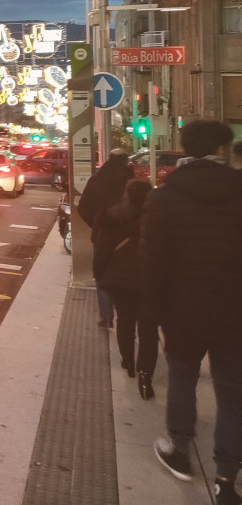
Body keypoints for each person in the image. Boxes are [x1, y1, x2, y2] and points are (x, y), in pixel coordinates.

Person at [142, 120, 242, 505]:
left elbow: (153, 265)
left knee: (182, 378)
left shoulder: (164, 196)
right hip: (235, 312)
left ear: (184, 150)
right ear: (224, 149)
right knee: (233, 392)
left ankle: (179, 450)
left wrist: (151, 317)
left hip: (182, 310)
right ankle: (227, 476)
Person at [95, 178, 159, 399]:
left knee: (125, 320)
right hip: (151, 281)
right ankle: (145, 377)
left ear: (127, 195)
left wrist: (100, 274)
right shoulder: (159, 219)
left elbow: (102, 251)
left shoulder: (114, 216)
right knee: (149, 330)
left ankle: (128, 361)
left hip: (121, 280)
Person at [77, 149, 135, 328]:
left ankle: (106, 317)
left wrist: (95, 223)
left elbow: (83, 207)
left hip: (103, 234)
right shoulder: (132, 182)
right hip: (129, 236)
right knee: (130, 273)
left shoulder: (97, 181)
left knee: (102, 273)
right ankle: (126, 314)